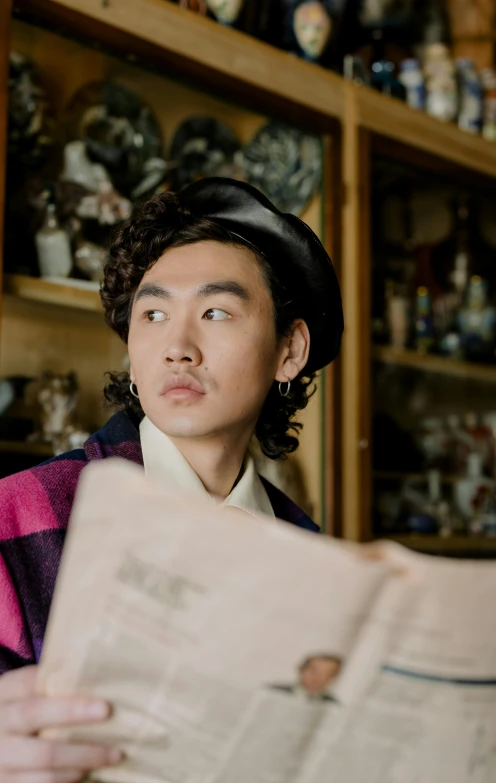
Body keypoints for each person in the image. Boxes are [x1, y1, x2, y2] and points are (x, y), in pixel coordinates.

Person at [0, 177, 343, 781]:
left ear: (289, 350)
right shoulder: (22, 514)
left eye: (215, 311)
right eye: (153, 313)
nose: (176, 347)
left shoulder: (312, 553)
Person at [270, 654, 343, 702]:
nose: (317, 677)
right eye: (313, 671)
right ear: (301, 669)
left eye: (326, 674)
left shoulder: (332, 705)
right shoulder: (273, 693)